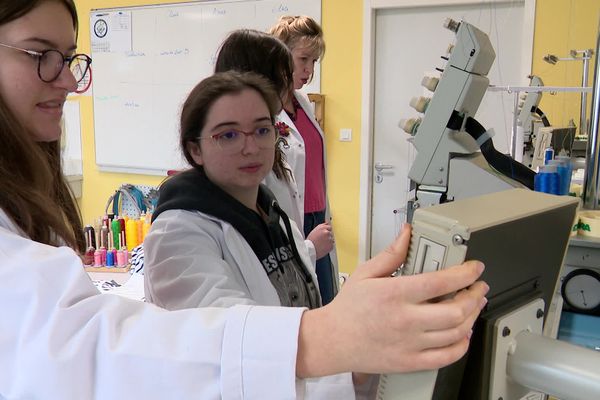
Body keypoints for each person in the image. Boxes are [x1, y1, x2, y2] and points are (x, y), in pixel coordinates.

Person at [0, 1, 489, 398]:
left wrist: (347, 355)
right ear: (195, 148)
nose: (67, 79)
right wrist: (326, 339)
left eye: (262, 130)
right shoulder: (183, 229)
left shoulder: (269, 204)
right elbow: (87, 354)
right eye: (41, 53)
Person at [213, 28, 333, 271]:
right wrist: (308, 250)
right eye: (282, 74)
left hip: (303, 238)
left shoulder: (271, 137)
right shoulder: (229, 167)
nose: (288, 82)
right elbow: (254, 252)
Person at [269, 15, 338, 304]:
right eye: (303, 59)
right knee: (303, 305)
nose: (309, 70)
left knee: (328, 298)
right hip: (290, 221)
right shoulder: (266, 108)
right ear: (281, 56)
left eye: (314, 62)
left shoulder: (303, 103)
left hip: (318, 215)